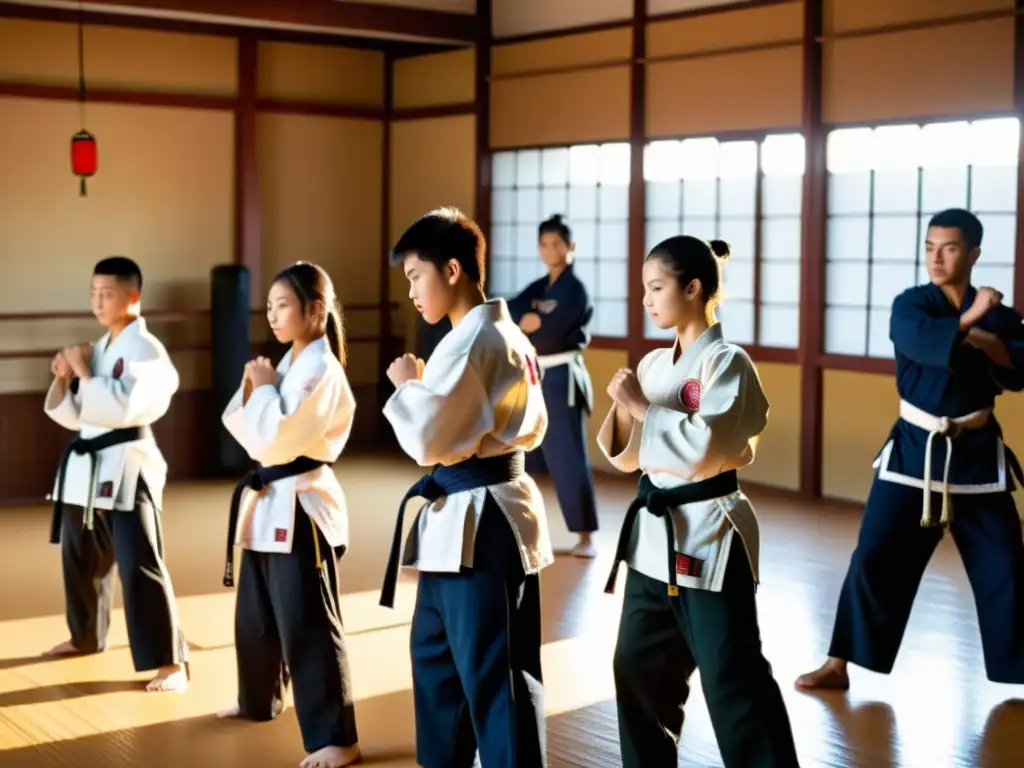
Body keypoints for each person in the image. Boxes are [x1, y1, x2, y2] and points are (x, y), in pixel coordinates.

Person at [795, 208, 1024, 692]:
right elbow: (919, 343)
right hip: (914, 450)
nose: (936, 258)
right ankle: (839, 663)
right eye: (929, 247)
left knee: (1006, 563)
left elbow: (1017, 369)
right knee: (874, 556)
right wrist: (975, 323)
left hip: (978, 453)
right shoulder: (911, 305)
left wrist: (983, 335)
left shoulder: (1004, 316)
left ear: (974, 253)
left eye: (950, 248)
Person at [598, 235, 800, 767]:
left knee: (731, 677)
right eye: (644, 288)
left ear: (693, 289)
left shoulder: (728, 363)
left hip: (709, 535)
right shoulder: (651, 365)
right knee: (636, 668)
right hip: (652, 540)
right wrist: (625, 410)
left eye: (656, 287)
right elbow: (627, 457)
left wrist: (641, 408)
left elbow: (705, 447)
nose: (646, 299)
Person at [380, 207, 551, 768]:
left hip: (485, 520)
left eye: (414, 277)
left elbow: (430, 438)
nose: (411, 292)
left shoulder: (480, 341)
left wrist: (409, 387)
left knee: (493, 674)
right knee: (438, 663)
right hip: (458, 518)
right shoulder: (485, 336)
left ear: (452, 270)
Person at [218, 262, 361, 768]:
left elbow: (279, 438)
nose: (272, 314)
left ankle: (337, 736)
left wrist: (265, 388)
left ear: (315, 310)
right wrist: (262, 386)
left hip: (302, 504)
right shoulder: (290, 363)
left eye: (283, 305)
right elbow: (246, 426)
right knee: (256, 615)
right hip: (267, 498)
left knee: (309, 622)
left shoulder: (322, 370)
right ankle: (258, 699)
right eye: (270, 305)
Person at [43, 255, 189, 693]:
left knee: (139, 560)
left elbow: (125, 407)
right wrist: (64, 377)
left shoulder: (146, 351)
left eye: (107, 293)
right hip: (87, 466)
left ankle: (172, 663)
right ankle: (85, 636)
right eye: (93, 293)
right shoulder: (101, 347)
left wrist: (84, 372)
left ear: (134, 296)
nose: (98, 302)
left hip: (128, 463)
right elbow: (79, 414)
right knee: (80, 557)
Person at [507, 214, 600, 558]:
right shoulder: (539, 287)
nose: (550, 250)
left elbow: (554, 331)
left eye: (557, 243)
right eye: (544, 244)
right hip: (534, 376)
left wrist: (534, 323)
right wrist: (526, 321)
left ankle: (586, 535)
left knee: (568, 456)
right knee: (524, 453)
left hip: (561, 377)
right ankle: (524, 529)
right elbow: (512, 310)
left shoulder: (575, 291)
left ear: (570, 246)